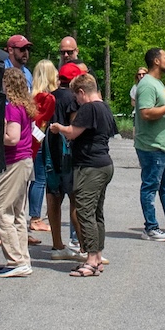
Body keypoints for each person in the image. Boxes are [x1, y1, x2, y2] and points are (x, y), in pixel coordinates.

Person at [50, 73, 115, 276]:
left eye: (76, 97)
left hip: (90, 166)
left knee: (85, 211)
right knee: (97, 213)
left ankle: (91, 259)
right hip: (104, 164)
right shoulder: (105, 107)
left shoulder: (89, 107)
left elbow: (72, 132)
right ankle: (97, 257)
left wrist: (57, 127)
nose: (76, 102)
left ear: (81, 92)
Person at [133, 47, 165, 239]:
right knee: (150, 186)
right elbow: (145, 113)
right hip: (152, 146)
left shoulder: (157, 83)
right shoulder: (147, 84)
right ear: (156, 61)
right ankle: (151, 228)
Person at [0, 68, 38, 278]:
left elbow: (12, 138)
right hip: (26, 161)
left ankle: (15, 259)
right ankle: (23, 259)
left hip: (14, 161)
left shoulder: (11, 108)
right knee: (17, 213)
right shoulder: (25, 106)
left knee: (0, 210)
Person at [44, 58, 85, 255]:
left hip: (50, 151)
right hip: (68, 153)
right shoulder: (73, 99)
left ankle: (57, 244)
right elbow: (74, 127)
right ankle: (85, 248)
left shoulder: (49, 96)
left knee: (53, 196)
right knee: (75, 198)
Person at [27, 59, 60, 247]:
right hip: (38, 140)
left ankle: (34, 216)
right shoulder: (46, 97)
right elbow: (42, 122)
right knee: (40, 179)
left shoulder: (31, 95)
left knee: (34, 179)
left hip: (30, 140)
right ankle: (35, 217)